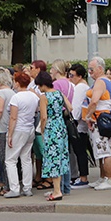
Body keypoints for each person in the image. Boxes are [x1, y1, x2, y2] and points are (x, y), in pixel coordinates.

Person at [4, 72, 40, 198]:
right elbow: (37, 110)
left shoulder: (16, 97)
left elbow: (13, 117)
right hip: (30, 128)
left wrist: (9, 135)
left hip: (18, 129)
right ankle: (27, 187)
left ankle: (14, 188)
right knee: (26, 159)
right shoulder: (33, 96)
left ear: (18, 83)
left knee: (10, 160)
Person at [37, 71, 71, 201]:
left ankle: (57, 191)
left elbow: (44, 117)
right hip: (61, 127)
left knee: (52, 159)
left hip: (51, 128)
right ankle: (59, 188)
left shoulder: (44, 97)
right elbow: (70, 107)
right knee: (61, 157)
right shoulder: (59, 93)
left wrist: (42, 129)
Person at [84, 56, 111, 191]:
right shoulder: (103, 81)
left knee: (105, 150)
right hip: (101, 118)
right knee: (101, 150)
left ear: (100, 69)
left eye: (91, 69)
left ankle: (110, 179)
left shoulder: (100, 82)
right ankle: (104, 177)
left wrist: (88, 116)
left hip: (100, 119)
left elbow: (94, 101)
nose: (89, 72)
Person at [68, 63, 92, 188]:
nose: (70, 77)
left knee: (80, 151)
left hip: (78, 125)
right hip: (81, 124)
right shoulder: (84, 86)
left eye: (72, 75)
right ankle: (82, 176)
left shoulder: (79, 88)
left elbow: (76, 106)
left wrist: (73, 120)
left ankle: (83, 178)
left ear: (80, 76)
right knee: (81, 151)